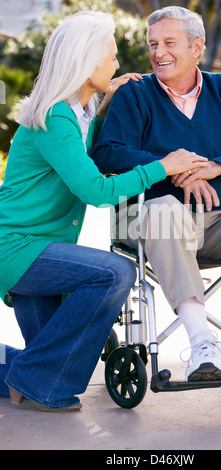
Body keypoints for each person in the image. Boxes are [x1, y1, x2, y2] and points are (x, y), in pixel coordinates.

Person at [0, 10, 204, 412]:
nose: (117, 64)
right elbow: (95, 189)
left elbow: (84, 150)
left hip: (39, 247)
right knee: (116, 272)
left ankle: (27, 376)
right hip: (19, 249)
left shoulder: (73, 112)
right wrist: (163, 166)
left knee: (44, 359)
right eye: (110, 57)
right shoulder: (56, 115)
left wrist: (100, 95)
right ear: (85, 61)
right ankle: (34, 381)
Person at [92, 6, 221, 394]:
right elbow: (108, 152)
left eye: (169, 42)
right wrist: (171, 167)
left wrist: (216, 167)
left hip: (215, 219)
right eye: (153, 44)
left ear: (197, 46)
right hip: (147, 220)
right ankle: (203, 344)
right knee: (166, 209)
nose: (159, 52)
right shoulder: (134, 95)